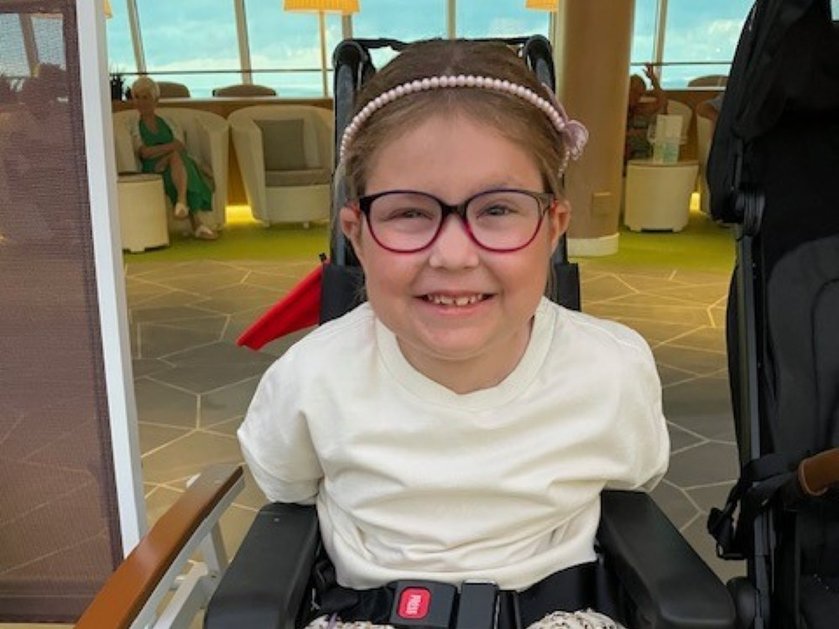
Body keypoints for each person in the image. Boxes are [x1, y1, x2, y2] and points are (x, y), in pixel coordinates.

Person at [238, 39, 669, 629]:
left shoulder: (611, 370)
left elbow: (632, 485)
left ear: (552, 228)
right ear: (357, 235)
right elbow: (285, 484)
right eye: (410, 212)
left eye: (497, 210)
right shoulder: (312, 378)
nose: (454, 254)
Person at [129, 76, 217, 240]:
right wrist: (168, 151)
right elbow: (144, 153)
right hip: (153, 167)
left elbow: (180, 145)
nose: (141, 102)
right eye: (137, 97)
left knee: (178, 161)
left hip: (172, 165)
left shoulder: (168, 121)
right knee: (182, 162)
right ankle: (196, 221)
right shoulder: (134, 125)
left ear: (156, 100)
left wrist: (166, 155)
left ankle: (183, 204)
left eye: (146, 97)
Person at [625, 62, 667, 163]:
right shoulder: (615, 108)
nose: (636, 97)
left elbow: (662, 102)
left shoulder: (638, 108)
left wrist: (653, 80)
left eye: (639, 94)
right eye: (633, 91)